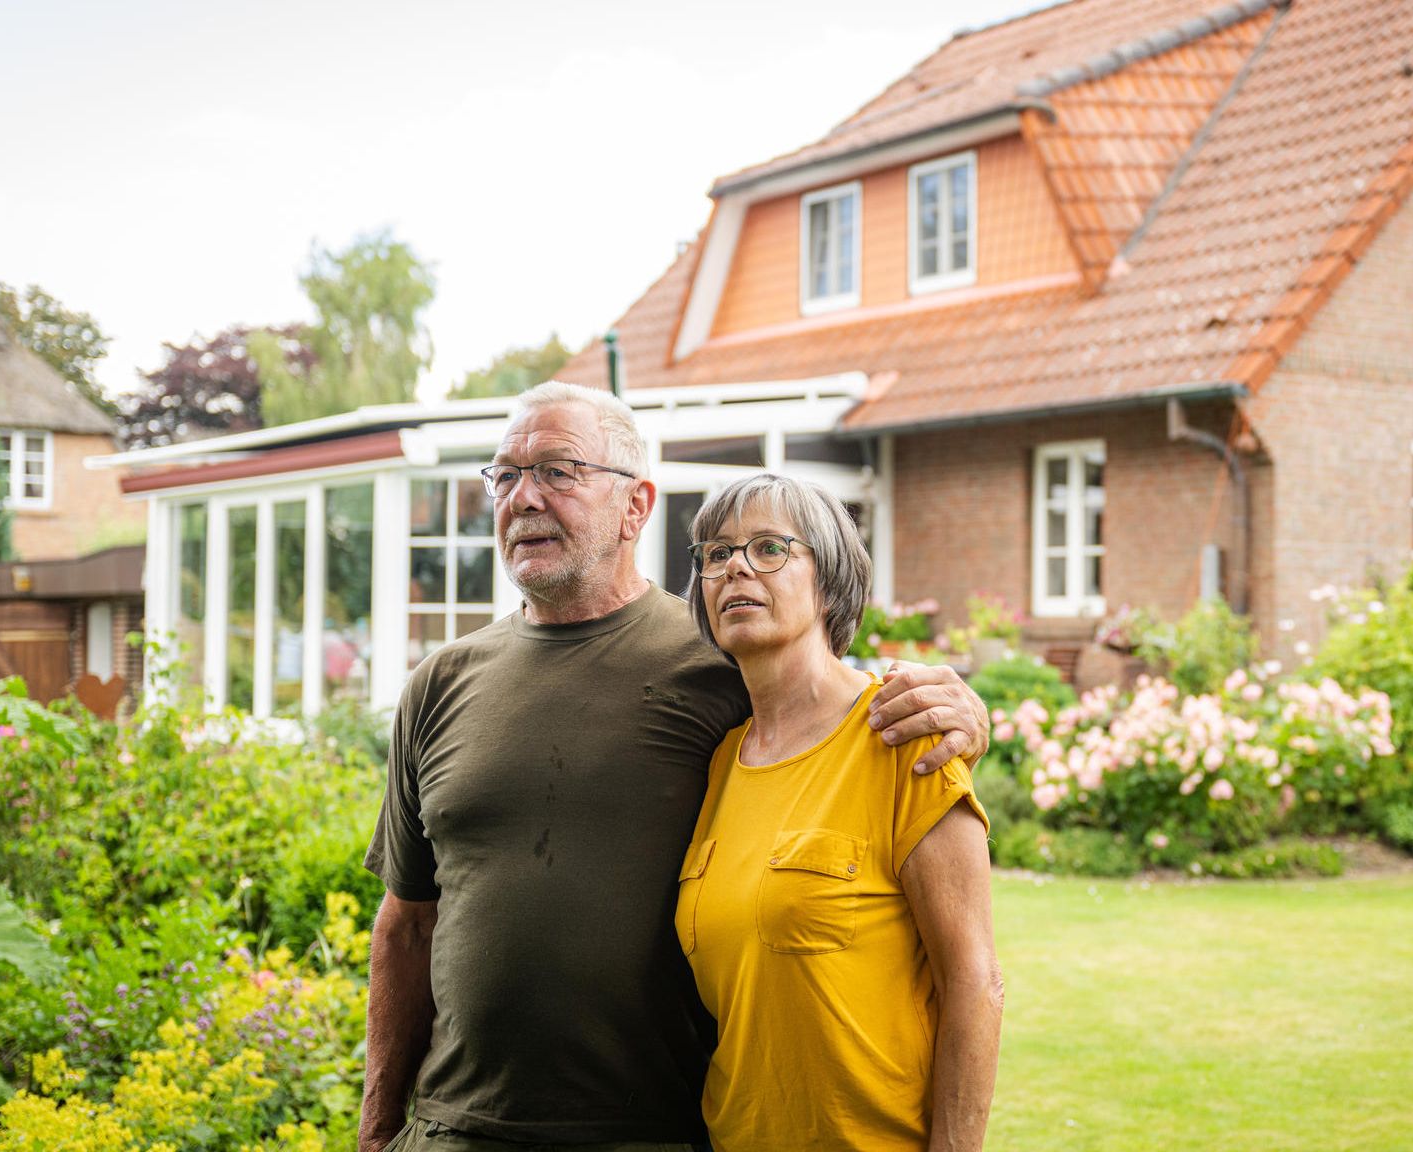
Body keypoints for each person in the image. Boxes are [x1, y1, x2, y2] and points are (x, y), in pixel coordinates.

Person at [359, 382, 989, 1152]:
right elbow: (405, 924)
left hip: (652, 1131)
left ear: (635, 506)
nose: (524, 497)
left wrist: (959, 705)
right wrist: (379, 1129)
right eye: (505, 475)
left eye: (558, 471)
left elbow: (823, 696)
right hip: (453, 1129)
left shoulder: (720, 668)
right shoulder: (439, 683)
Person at [679, 474, 1002, 1152]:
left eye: (769, 548)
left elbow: (973, 981)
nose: (734, 565)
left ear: (828, 582)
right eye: (716, 554)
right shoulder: (722, 763)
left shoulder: (905, 739)